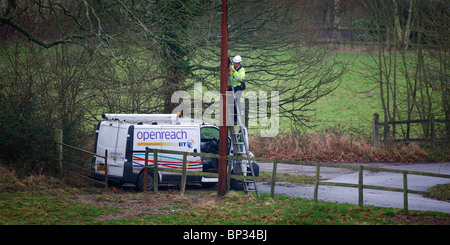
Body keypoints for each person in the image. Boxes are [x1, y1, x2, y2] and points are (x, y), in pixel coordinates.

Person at [228, 55, 246, 125]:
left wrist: (234, 72)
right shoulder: (232, 67)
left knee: (236, 103)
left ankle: (236, 120)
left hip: (237, 88)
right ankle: (231, 119)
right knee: (230, 103)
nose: (234, 64)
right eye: (234, 62)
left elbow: (241, 78)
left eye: (236, 63)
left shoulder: (242, 70)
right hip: (230, 88)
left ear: (239, 63)